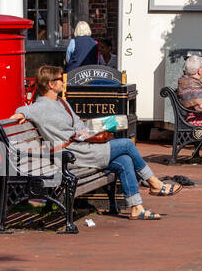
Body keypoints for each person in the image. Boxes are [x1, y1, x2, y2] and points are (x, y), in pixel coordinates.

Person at [14, 65, 175, 220]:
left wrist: (85, 131)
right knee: (127, 144)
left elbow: (76, 122)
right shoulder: (39, 107)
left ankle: (136, 208)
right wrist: (20, 114)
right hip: (73, 154)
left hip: (83, 146)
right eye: (59, 79)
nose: (63, 81)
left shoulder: (61, 102)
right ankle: (154, 183)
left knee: (124, 160)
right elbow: (25, 110)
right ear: (50, 84)